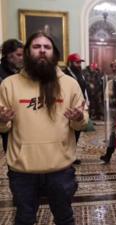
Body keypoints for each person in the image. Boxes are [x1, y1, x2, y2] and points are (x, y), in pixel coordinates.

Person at [0, 31, 88, 225]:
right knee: (24, 219)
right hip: (23, 171)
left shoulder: (70, 84)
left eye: (47, 47)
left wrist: (79, 117)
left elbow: (81, 122)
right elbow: (4, 128)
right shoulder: (9, 85)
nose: (42, 51)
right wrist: (1, 120)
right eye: (36, 47)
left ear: (54, 53)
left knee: (65, 219)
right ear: (27, 52)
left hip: (60, 170)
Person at [64, 53, 88, 165]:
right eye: (76, 62)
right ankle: (65, 155)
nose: (79, 64)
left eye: (80, 62)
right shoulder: (65, 74)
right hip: (68, 108)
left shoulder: (80, 74)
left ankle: (72, 155)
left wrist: (87, 102)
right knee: (67, 133)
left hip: (80, 107)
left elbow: (84, 88)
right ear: (70, 63)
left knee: (77, 133)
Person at [0, 39, 24, 152]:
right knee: (11, 150)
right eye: (19, 55)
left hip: (22, 117)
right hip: (6, 119)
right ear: (9, 55)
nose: (22, 58)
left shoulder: (22, 72)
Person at [99, 59, 116, 164]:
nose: (114, 68)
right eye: (112, 66)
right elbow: (108, 97)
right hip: (114, 109)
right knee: (113, 133)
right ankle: (108, 155)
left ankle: (108, 156)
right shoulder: (110, 80)